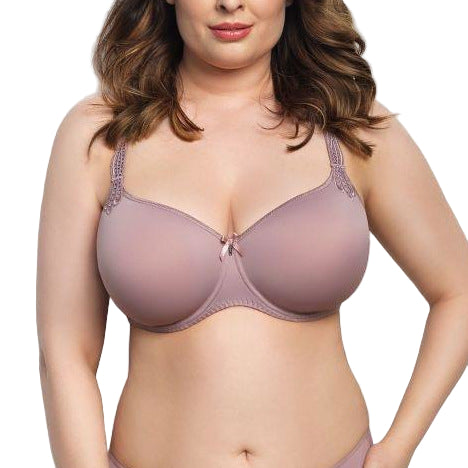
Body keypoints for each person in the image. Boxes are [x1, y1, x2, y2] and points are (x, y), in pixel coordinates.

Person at [36, 1, 468, 467]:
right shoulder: (101, 135)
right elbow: (65, 352)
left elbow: (458, 291)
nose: (230, 3)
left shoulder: (350, 125)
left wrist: (396, 451)